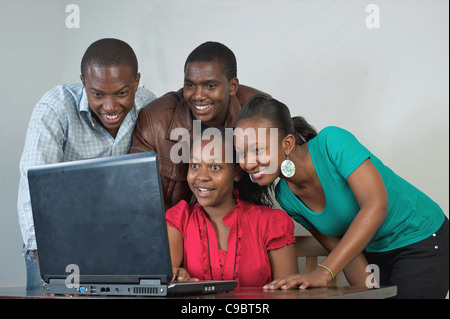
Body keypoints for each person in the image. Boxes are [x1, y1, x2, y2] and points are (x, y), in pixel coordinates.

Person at [234, 95, 449, 298]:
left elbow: (376, 205)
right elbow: (345, 252)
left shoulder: (331, 142)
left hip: (420, 238)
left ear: (287, 144)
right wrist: (369, 295)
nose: (248, 163)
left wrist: (324, 271)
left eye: (257, 150)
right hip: (374, 253)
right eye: (241, 153)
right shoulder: (286, 196)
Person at [17, 38, 156, 290]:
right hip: (55, 242)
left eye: (122, 93)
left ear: (136, 82)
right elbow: (32, 191)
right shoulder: (55, 109)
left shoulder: (149, 106)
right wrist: (52, 269)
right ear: (83, 83)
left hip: (118, 245)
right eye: (98, 94)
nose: (111, 106)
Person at [129, 41, 271, 210]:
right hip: (179, 227)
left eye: (210, 86)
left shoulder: (260, 111)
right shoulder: (155, 120)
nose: (197, 96)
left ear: (232, 86)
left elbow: (284, 166)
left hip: (244, 220)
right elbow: (134, 192)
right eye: (190, 85)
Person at [166, 127, 298, 287]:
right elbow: (166, 275)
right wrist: (175, 274)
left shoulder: (271, 223)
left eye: (215, 167)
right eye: (194, 166)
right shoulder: (179, 219)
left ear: (236, 172)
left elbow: (288, 294)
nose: (201, 176)